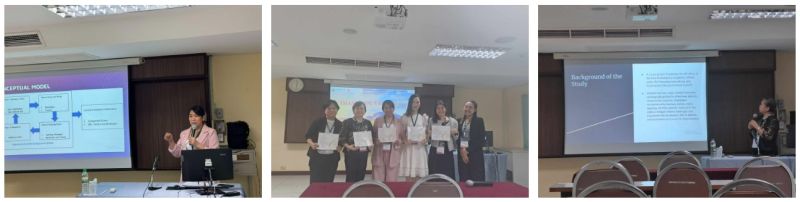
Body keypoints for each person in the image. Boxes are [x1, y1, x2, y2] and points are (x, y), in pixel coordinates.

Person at [304, 100, 343, 182]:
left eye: (334, 108)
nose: (332, 110)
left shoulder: (340, 124)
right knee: (315, 180)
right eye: (329, 108)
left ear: (337, 110)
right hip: (317, 157)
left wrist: (340, 146)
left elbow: (342, 139)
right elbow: (308, 136)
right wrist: (312, 144)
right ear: (325, 110)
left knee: (329, 180)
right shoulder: (317, 122)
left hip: (332, 158)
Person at [340, 101, 374, 182]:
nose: (359, 110)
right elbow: (341, 138)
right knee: (351, 175)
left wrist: (370, 145)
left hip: (363, 153)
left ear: (365, 110)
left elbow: (371, 137)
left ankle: (358, 192)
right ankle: (349, 192)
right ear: (353, 110)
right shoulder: (347, 122)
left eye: (361, 108)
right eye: (357, 108)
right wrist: (348, 146)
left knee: (361, 174)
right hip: (351, 153)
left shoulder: (368, 123)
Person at [372, 100, 403, 182]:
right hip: (380, 150)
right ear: (383, 109)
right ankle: (379, 192)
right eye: (386, 107)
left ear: (394, 109)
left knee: (391, 177)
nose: (388, 109)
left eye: (390, 107)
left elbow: (401, 137)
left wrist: (398, 141)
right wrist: (376, 140)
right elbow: (373, 135)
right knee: (378, 175)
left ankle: (390, 193)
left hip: (393, 150)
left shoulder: (399, 121)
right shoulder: (378, 120)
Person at [400, 94, 429, 181]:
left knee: (419, 175)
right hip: (409, 149)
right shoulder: (405, 117)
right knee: (409, 175)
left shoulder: (423, 118)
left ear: (420, 104)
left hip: (419, 149)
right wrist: (405, 140)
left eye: (417, 102)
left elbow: (427, 132)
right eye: (413, 102)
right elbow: (401, 132)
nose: (415, 104)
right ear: (410, 103)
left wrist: (426, 139)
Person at [427, 100, 459, 179]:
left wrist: (454, 133)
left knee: (448, 173)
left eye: (442, 108)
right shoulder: (431, 120)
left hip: (448, 151)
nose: (440, 110)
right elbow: (428, 137)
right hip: (435, 150)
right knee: (434, 172)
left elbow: (456, 137)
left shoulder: (453, 121)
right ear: (435, 110)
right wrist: (429, 134)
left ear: (446, 109)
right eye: (438, 108)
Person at [458, 100, 486, 181]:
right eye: (466, 107)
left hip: (475, 155)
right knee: (464, 179)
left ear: (475, 110)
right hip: (462, 155)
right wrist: (462, 150)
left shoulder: (479, 121)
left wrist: (467, 151)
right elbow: (458, 138)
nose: (468, 109)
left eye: (470, 107)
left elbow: (481, 140)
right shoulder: (460, 121)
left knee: (476, 179)